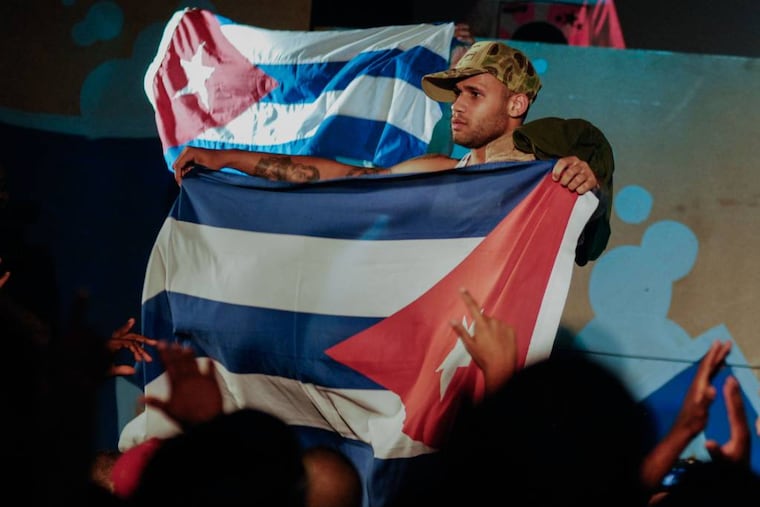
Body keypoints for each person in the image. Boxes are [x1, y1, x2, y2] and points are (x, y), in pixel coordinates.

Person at [172, 40, 613, 265]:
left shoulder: (545, 179)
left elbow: (584, 239)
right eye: (456, 93)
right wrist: (226, 158)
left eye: (474, 93)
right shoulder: (437, 170)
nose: (456, 105)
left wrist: (586, 187)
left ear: (516, 105)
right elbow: (340, 178)